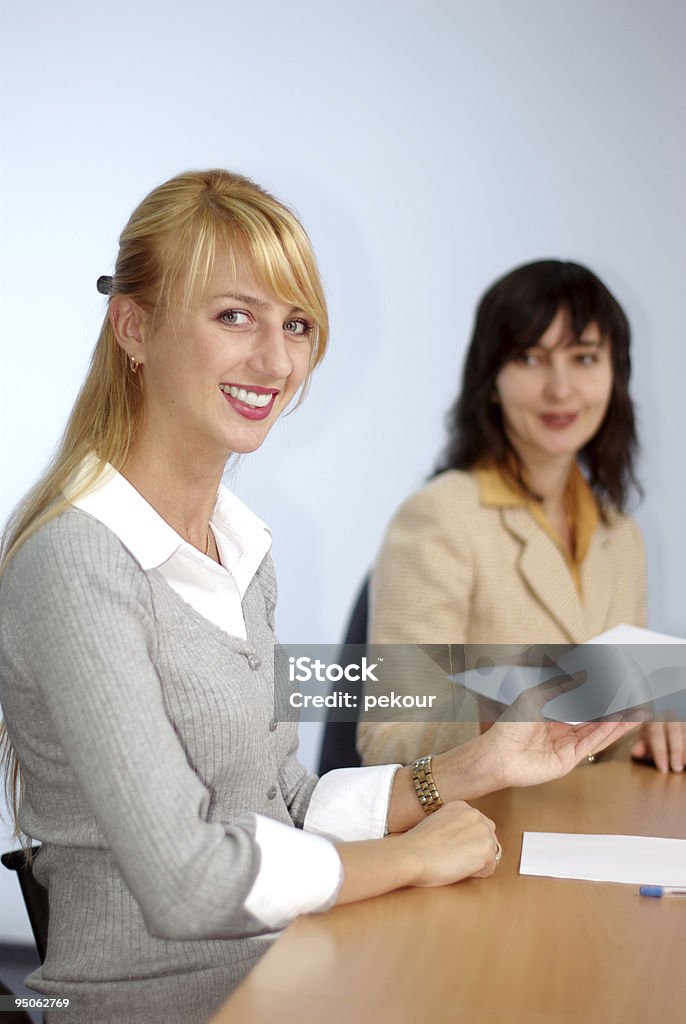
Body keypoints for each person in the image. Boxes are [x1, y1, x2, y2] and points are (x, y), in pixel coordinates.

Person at [0, 174, 637, 1024]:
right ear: (134, 327)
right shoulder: (76, 561)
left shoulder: (242, 550)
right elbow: (188, 879)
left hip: (287, 966)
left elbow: (285, 804)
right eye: (235, 316)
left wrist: (480, 767)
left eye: (295, 325)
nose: (276, 360)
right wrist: (413, 855)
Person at [359, 259, 685, 773]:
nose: (560, 389)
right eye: (531, 359)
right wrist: (500, 711)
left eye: (584, 357)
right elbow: (387, 738)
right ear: (492, 379)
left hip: (592, 832)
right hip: (484, 831)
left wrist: (659, 719)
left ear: (615, 374)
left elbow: (606, 740)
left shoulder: (622, 536)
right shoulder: (438, 518)